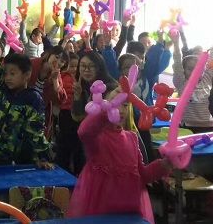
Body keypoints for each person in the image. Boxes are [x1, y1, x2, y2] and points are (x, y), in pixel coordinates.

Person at [67, 88, 172, 223]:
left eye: (125, 104)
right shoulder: (97, 138)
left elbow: (142, 175)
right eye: (114, 103)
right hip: (100, 209)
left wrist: (162, 165)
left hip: (128, 209)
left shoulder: (132, 138)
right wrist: (105, 113)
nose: (120, 110)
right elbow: (84, 132)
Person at [0, 52, 54, 167]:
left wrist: (42, 157)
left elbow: (35, 131)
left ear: (27, 75)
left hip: (4, 157)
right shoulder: (1, 90)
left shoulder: (33, 99)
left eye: (13, 73)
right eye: (6, 74)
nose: (8, 78)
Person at [171, 33, 213, 134]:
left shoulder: (206, 80)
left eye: (197, 68)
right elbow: (177, 62)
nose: (194, 72)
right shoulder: (181, 82)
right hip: (188, 126)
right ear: (184, 70)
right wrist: (176, 43)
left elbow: (211, 61)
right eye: (190, 69)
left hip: (209, 125)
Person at [55, 52, 84, 175]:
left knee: (77, 142)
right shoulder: (62, 77)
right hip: (65, 113)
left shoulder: (81, 79)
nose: (74, 69)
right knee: (65, 140)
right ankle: (63, 167)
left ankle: (77, 169)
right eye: (71, 66)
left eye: (76, 66)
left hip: (77, 113)